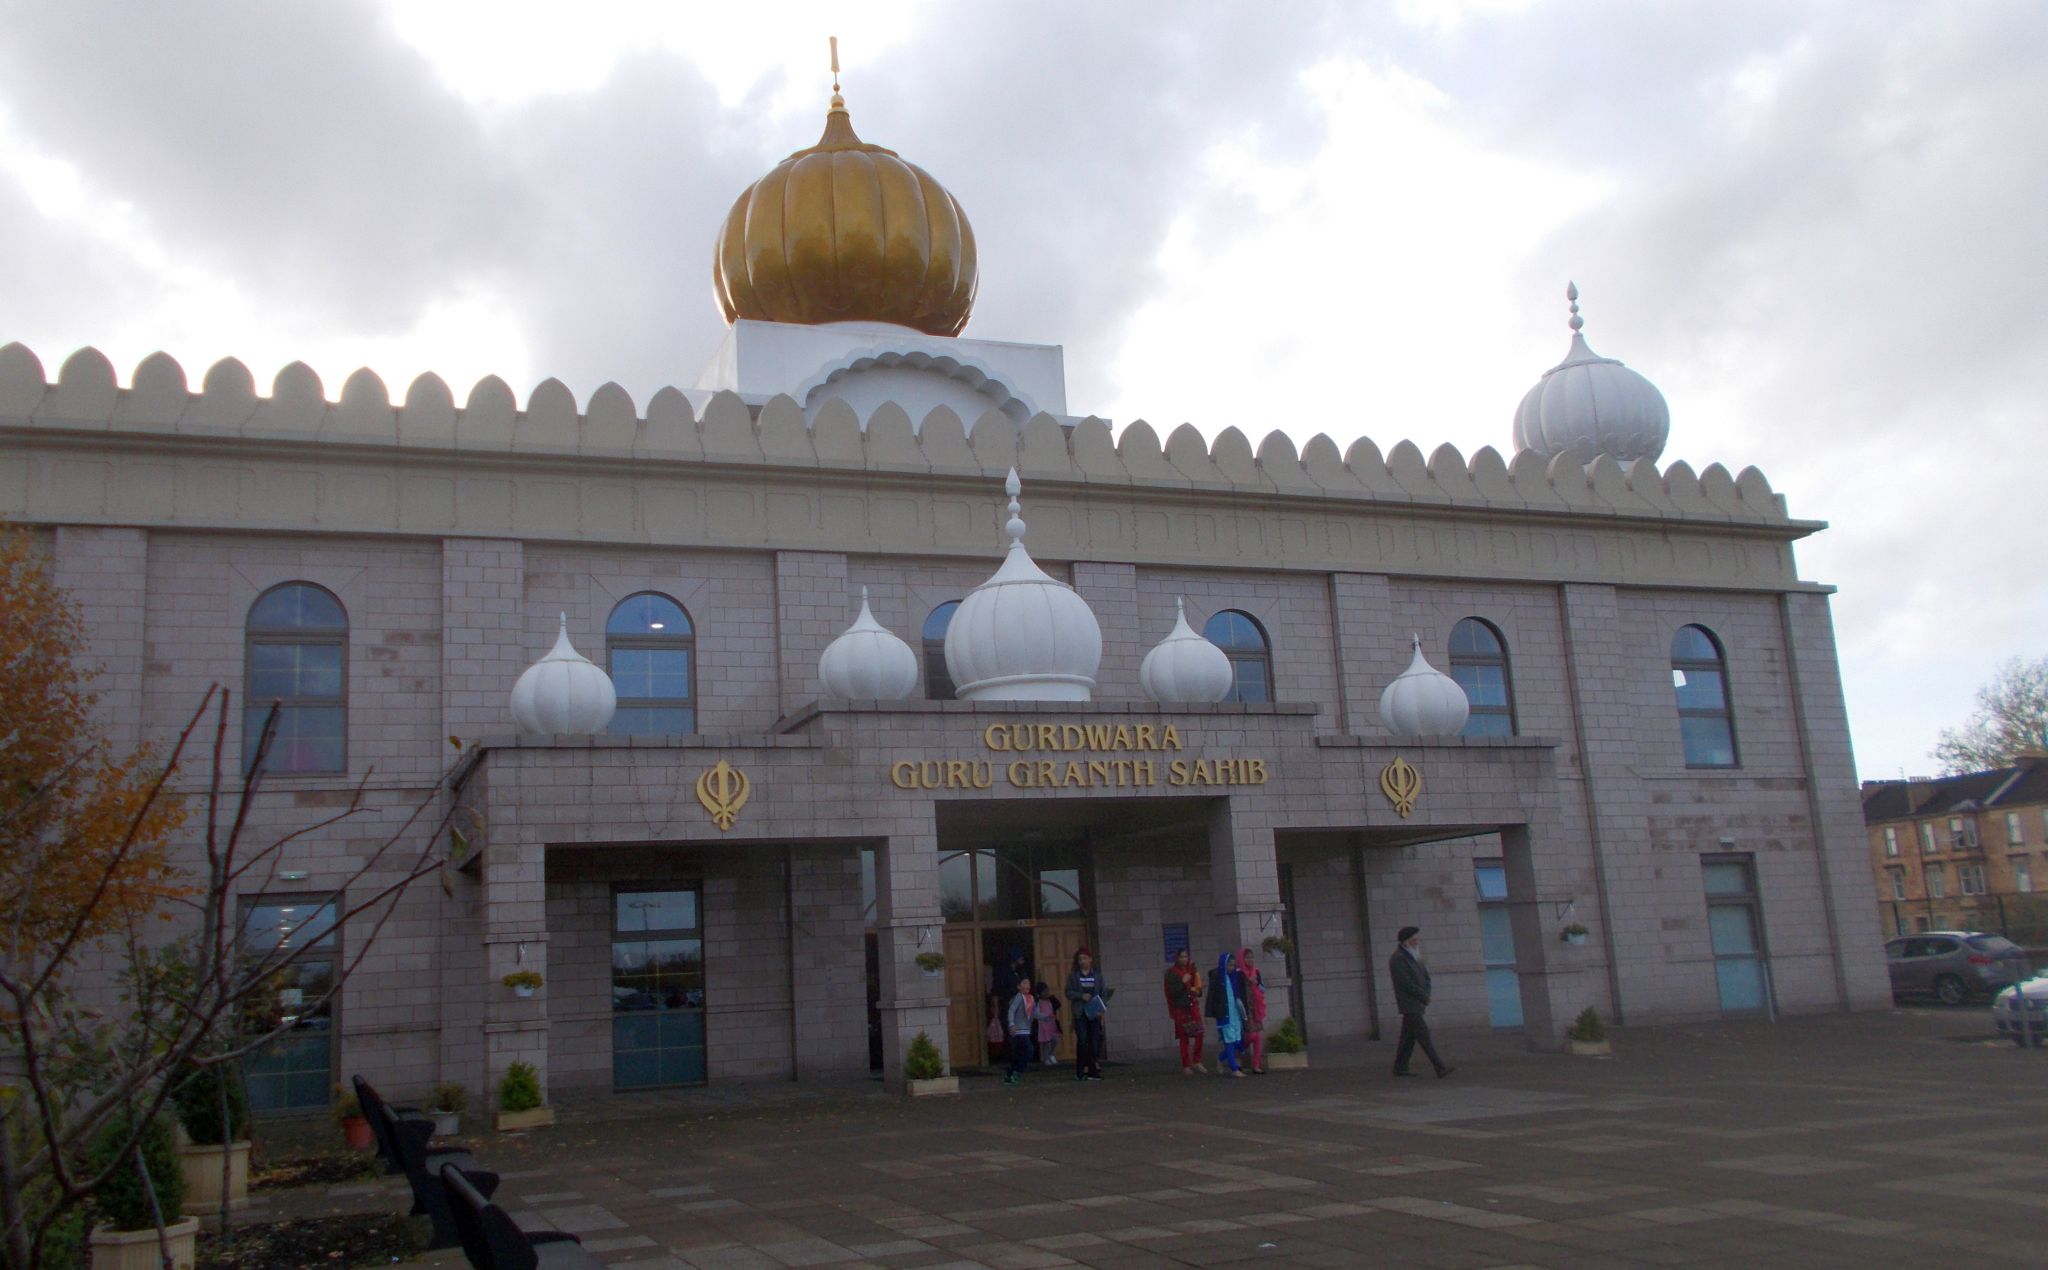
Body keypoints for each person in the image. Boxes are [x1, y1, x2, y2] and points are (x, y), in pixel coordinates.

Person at [1389, 925, 1454, 1078]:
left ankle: (1400, 1067)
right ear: (1406, 941)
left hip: (1417, 1003)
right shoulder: (1398, 959)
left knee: (1408, 1038)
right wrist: (1423, 996)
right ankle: (1439, 1067)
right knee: (1424, 1036)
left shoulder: (1415, 956)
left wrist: (1426, 994)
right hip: (1409, 1004)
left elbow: (1425, 976)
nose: (1417, 941)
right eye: (1414, 939)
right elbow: (1405, 983)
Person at [1065, 948, 1107, 1081]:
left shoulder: (1097, 975)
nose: (1082, 961)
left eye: (1085, 958)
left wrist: (1101, 1007)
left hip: (1094, 1012)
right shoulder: (1074, 975)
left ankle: (1092, 1070)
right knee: (1083, 1041)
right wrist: (1081, 995)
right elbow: (1068, 992)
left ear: (1090, 959)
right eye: (1080, 959)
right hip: (1080, 1012)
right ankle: (1080, 1070)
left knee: (1094, 1042)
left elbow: (1103, 993)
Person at [1163, 947, 1207, 1074]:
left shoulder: (1192, 970)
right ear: (1177, 958)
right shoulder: (1171, 973)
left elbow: (1198, 989)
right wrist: (1183, 982)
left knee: (1199, 1033)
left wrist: (1196, 989)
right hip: (1180, 1008)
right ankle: (1186, 1065)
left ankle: (1197, 1061)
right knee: (1184, 1037)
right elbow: (1172, 992)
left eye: (1186, 957)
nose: (1184, 959)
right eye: (1181, 957)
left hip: (1192, 1005)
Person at [1205, 951, 1247, 1077]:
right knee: (1229, 1041)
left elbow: (1241, 995)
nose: (1231, 968)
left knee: (1236, 1042)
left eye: (1233, 966)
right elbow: (1211, 996)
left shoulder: (1235, 977)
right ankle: (1234, 1069)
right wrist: (1207, 1014)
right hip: (1224, 1014)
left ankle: (1221, 1058)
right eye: (1229, 965)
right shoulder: (1218, 978)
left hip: (1235, 1014)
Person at [1237, 946, 1268, 1074]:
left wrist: (1257, 984)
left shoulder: (1256, 972)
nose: (1250, 960)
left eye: (1252, 957)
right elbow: (1238, 992)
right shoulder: (1239, 974)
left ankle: (1256, 1065)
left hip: (1255, 1008)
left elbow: (1263, 988)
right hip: (1245, 1009)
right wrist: (1248, 982)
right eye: (1247, 957)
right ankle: (1236, 1055)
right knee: (1250, 1036)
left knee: (1258, 1037)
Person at [1004, 977, 1036, 1085]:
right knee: (1029, 1051)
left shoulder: (1030, 998)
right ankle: (1016, 1071)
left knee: (1019, 1054)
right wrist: (1011, 1024)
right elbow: (1011, 1010)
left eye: (1028, 983)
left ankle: (1010, 1074)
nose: (1027, 985)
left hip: (1025, 1030)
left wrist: (1046, 1017)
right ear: (1019, 986)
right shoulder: (1018, 997)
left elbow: (1034, 1013)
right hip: (1018, 1031)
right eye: (1024, 983)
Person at [1034, 988, 1063, 1064]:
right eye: (1044, 992)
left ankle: (1051, 1054)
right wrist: (1044, 1017)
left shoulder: (1050, 1000)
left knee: (1055, 1040)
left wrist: (1052, 997)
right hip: (1043, 1023)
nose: (1046, 993)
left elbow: (1058, 1005)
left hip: (1052, 1023)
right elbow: (1036, 1013)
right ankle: (1046, 1057)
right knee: (1046, 1041)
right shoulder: (1038, 1002)